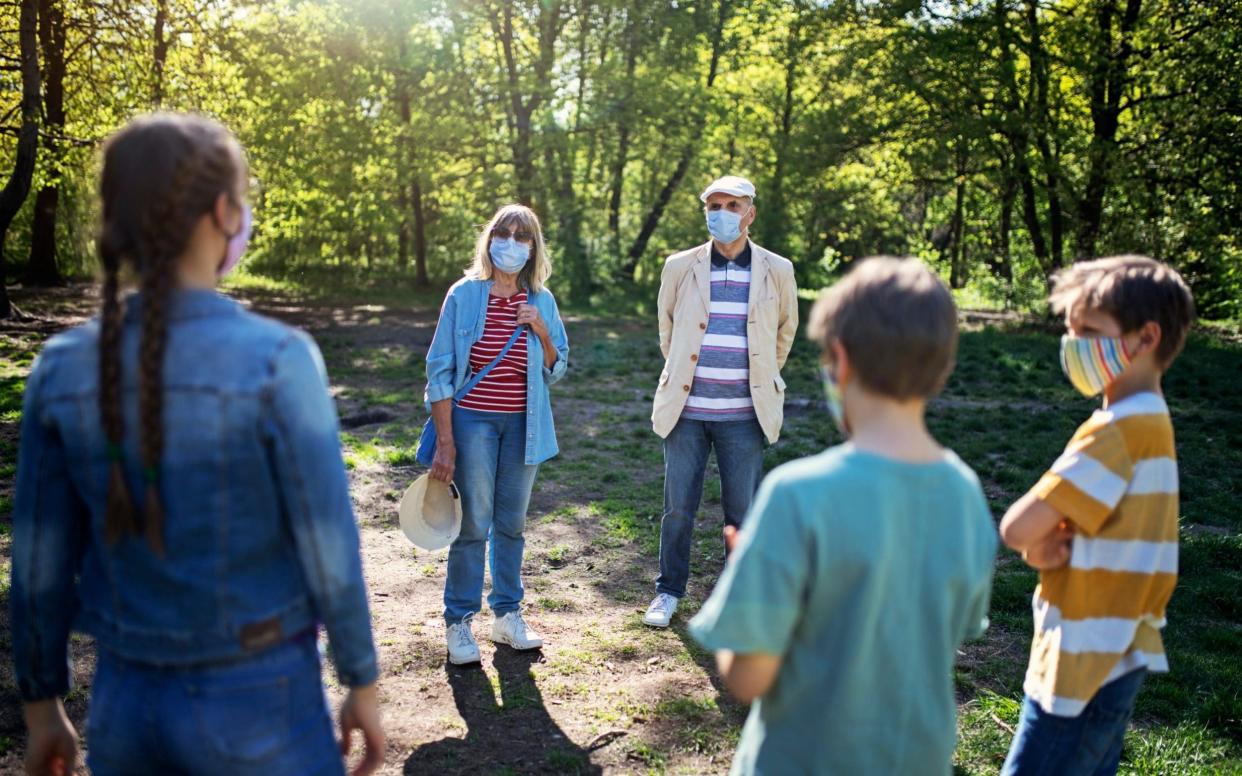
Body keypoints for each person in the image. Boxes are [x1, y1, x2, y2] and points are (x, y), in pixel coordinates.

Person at [11, 114, 384, 776]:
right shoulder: (279, 360)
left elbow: (39, 565)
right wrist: (361, 677)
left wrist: (42, 706)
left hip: (123, 708)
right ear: (223, 211)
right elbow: (328, 541)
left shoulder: (60, 368)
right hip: (262, 699)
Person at [689, 257, 997, 774]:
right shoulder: (966, 493)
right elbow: (958, 625)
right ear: (942, 368)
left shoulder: (797, 494)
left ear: (841, 360)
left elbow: (747, 677)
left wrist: (752, 581)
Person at [999, 256, 1194, 776]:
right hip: (1122, 647)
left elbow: (1018, 528)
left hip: (1079, 664)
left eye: (1089, 331)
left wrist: (1039, 546)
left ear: (1145, 337)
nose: (1073, 344)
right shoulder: (1154, 422)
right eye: (1070, 329)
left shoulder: (1115, 432)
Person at [644, 175, 798, 628]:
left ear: (750, 212)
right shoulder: (679, 266)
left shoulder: (777, 269)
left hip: (744, 416)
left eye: (732, 205)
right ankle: (668, 592)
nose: (722, 212)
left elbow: (784, 332)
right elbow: (667, 329)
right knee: (677, 509)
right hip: (687, 413)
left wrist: (761, 377)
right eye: (714, 204)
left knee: (742, 512)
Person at [423, 204, 570, 666]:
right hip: (474, 423)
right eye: (503, 234)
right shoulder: (465, 295)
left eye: (521, 236)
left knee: (512, 524)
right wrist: (446, 441)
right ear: (489, 240)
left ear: (533, 247)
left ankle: (507, 615)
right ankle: (459, 620)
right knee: (473, 522)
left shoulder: (542, 300)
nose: (511, 242)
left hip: (525, 424)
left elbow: (556, 368)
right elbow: (440, 370)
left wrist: (543, 332)